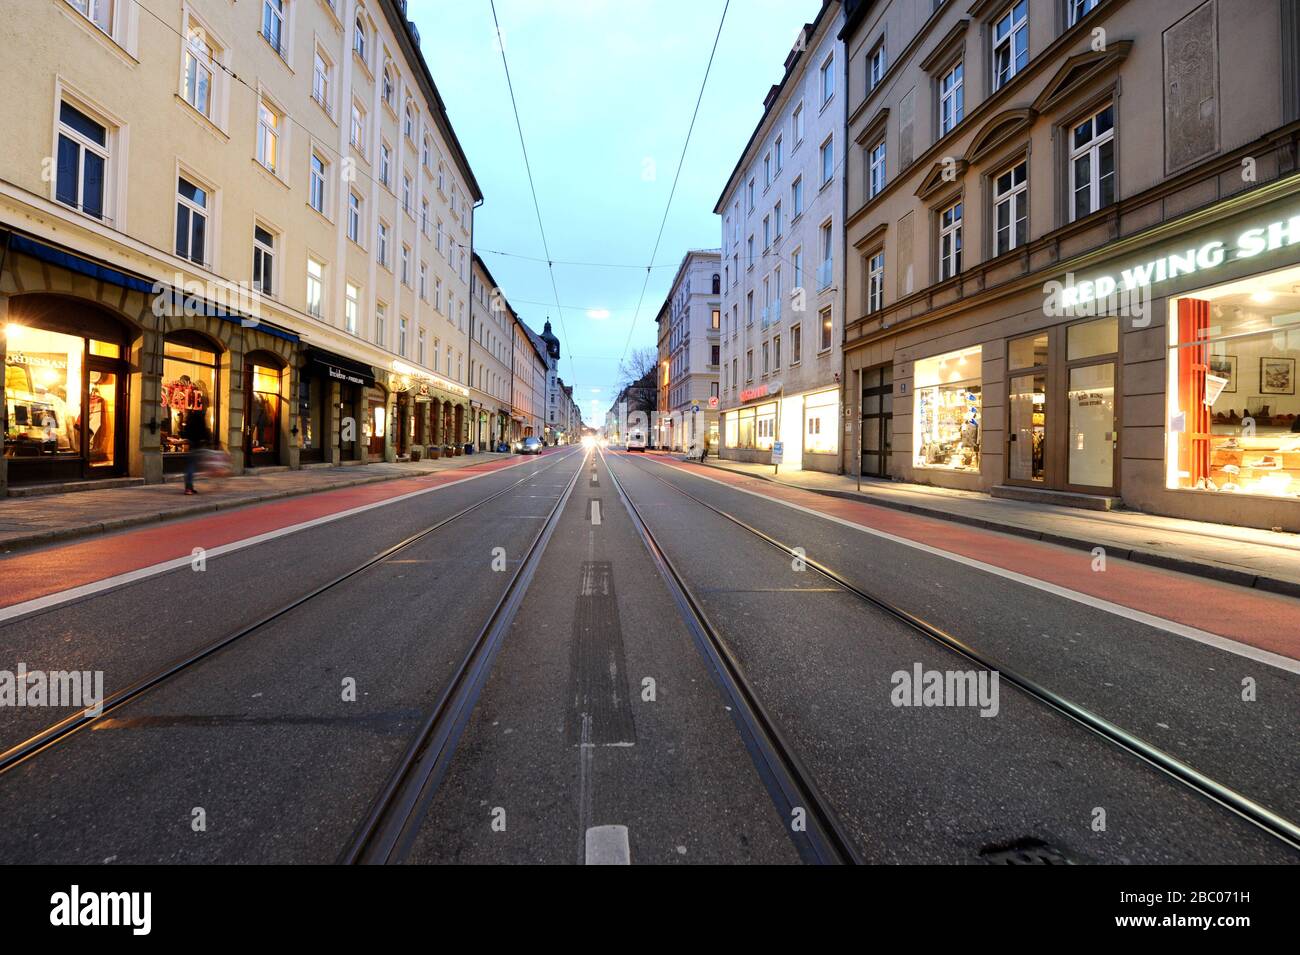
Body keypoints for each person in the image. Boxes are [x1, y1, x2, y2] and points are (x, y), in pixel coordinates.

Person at [182, 411, 210, 495]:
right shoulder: (200, 417)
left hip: (192, 444)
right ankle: (188, 488)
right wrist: (207, 439)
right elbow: (204, 430)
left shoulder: (190, 418)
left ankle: (189, 486)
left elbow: (185, 432)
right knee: (191, 467)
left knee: (191, 466)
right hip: (198, 444)